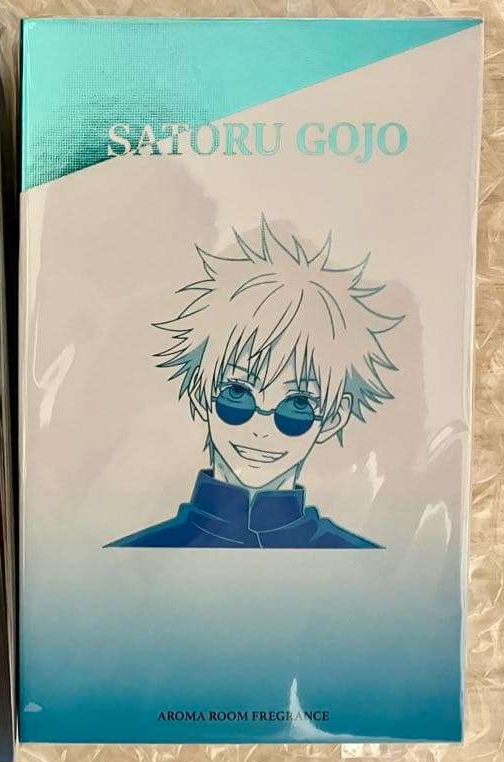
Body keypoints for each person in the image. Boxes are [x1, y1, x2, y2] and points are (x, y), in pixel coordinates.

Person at [108, 218, 402, 549]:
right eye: (237, 395)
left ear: (334, 417)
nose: (261, 430)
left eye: (298, 406)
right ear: (201, 391)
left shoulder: (358, 559)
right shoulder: (132, 557)